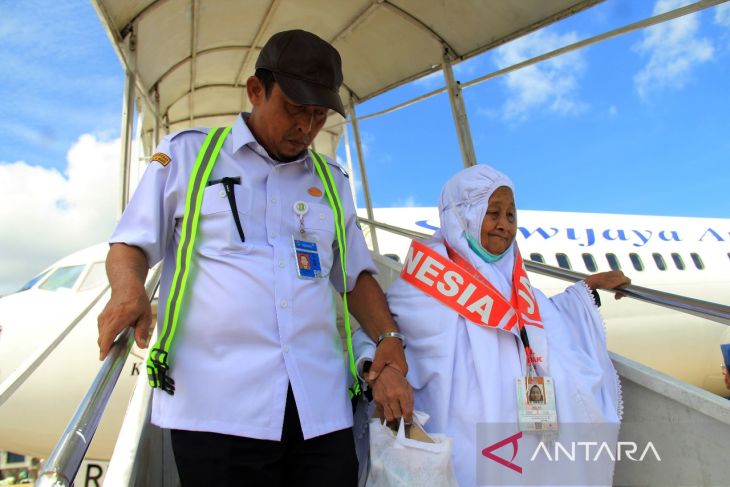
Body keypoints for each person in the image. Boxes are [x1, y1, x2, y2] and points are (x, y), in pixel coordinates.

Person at [97, 29, 411, 487]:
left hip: (319, 408)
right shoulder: (188, 155)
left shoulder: (331, 181)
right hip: (217, 408)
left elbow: (354, 273)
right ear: (255, 91)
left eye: (318, 115)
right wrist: (128, 292)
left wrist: (387, 336)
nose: (305, 127)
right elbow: (131, 241)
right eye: (294, 109)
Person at [355, 164, 629, 486]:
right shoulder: (425, 281)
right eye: (493, 213)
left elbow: (546, 321)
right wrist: (380, 370)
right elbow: (373, 332)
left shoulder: (515, 282)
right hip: (454, 432)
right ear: (464, 214)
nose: (504, 225)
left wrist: (584, 294)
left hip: (515, 432)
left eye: (511, 216)